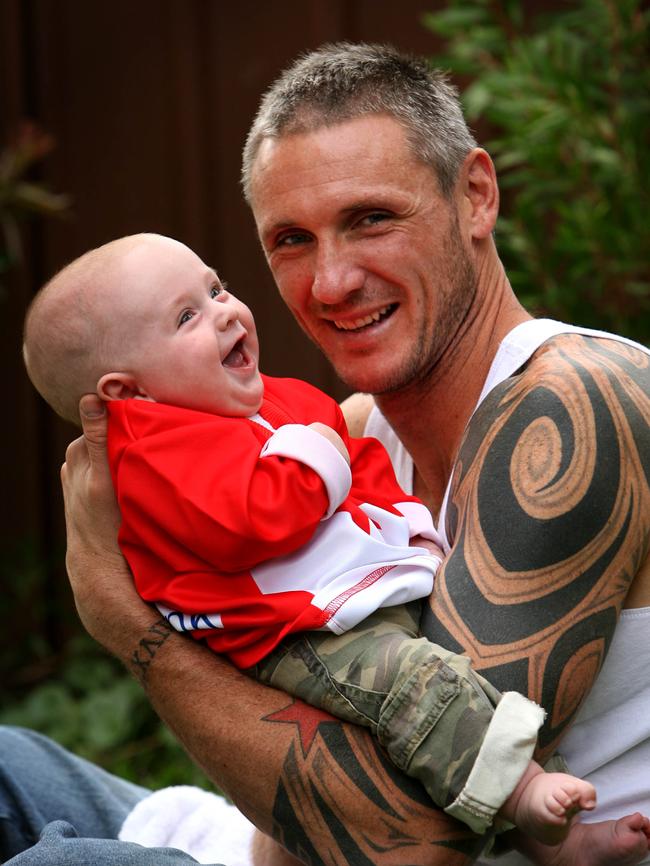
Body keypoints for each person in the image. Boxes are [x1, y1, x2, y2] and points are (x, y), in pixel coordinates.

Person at [3, 41, 649, 866]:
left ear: (476, 196)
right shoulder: (345, 438)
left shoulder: (572, 406)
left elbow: (411, 846)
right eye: (291, 240)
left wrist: (132, 626)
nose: (331, 282)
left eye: (370, 219)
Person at [23, 230, 604, 852]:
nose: (223, 311)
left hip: (328, 606)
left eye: (216, 289)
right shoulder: (156, 457)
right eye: (187, 316)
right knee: (412, 685)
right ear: (128, 394)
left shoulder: (240, 407)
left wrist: (400, 521)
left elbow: (357, 460)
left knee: (466, 681)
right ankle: (532, 809)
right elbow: (253, 518)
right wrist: (318, 462)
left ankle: (558, 833)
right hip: (288, 632)